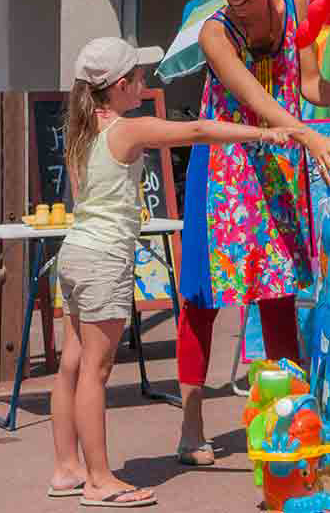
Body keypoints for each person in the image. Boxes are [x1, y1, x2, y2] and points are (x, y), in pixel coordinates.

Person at [48, 36, 298, 507]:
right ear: (120, 86)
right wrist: (264, 133)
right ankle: (99, 480)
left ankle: (66, 468)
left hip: (75, 253)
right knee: (96, 372)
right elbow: (199, 130)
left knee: (71, 366)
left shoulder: (81, 129)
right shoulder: (127, 129)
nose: (144, 83)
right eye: (138, 77)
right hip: (103, 260)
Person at [176, 0, 330, 466]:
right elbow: (253, 97)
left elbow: (306, 85)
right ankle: (191, 424)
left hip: (277, 164)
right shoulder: (215, 32)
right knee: (203, 297)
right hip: (224, 167)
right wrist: (307, 135)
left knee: (278, 292)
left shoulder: (296, 6)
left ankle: (291, 422)